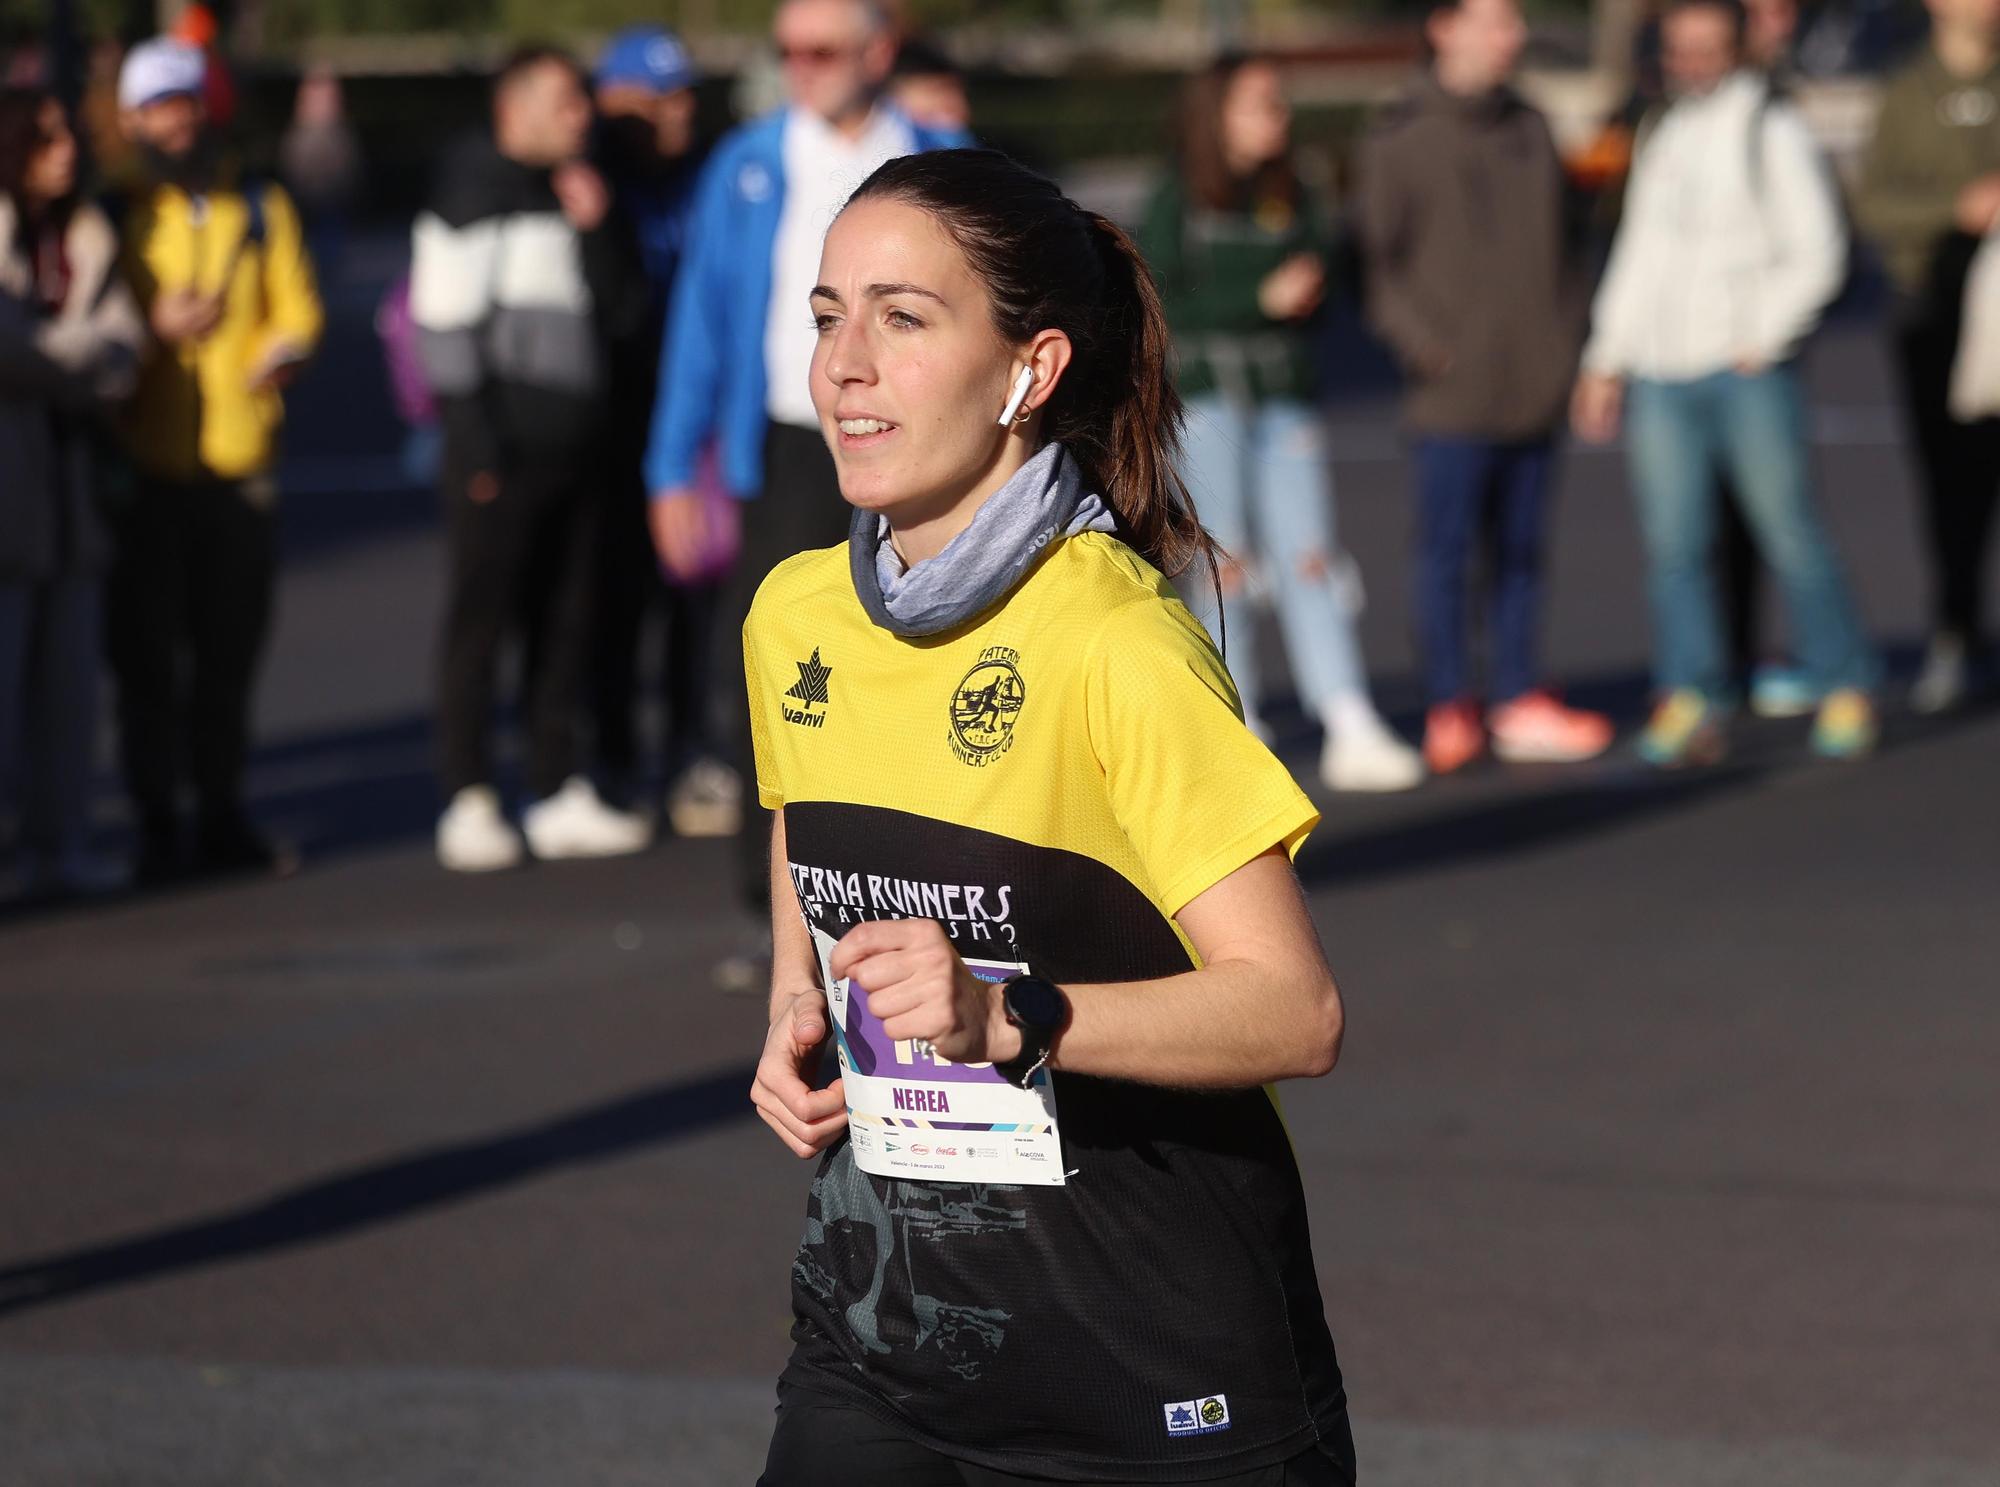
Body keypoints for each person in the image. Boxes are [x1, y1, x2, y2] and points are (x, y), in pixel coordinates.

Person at [746, 147, 1356, 1485]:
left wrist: (1008, 1014)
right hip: (882, 1346)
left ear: (1030, 370)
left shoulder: (1116, 643)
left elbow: (1295, 1010)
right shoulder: (795, 609)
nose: (845, 362)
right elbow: (808, 817)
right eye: (827, 313)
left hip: (1153, 1373)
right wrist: (795, 999)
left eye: (904, 318)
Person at [644, 0, 968, 920]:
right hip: (789, 446)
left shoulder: (947, 154)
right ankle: (775, 899)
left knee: (924, 659)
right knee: (782, 670)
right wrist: (671, 467)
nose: (801, 66)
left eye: (821, 48)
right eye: (787, 49)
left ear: (880, 50)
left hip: (924, 442)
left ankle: (929, 889)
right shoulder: (745, 162)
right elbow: (699, 326)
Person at [1573, 0, 1880, 764]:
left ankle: (1844, 680)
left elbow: (1821, 249)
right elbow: (1639, 255)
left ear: (1736, 51)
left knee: (1789, 530)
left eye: (1708, 48)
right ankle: (1691, 693)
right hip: (1662, 375)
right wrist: (1605, 359)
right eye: (1681, 49)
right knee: (1674, 546)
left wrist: (1762, 336)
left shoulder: (1770, 129)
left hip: (1746, 371)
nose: (1693, 62)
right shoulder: (1665, 131)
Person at [1141, 56, 1422, 791]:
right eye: (1260, 102)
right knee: (1222, 565)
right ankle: (1237, 720)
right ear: (1216, 114)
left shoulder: (1294, 191)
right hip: (1206, 399)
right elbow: (1157, 303)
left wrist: (1305, 293)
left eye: (1278, 102)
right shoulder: (1175, 196)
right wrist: (1258, 295)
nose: (1279, 115)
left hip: (1285, 396)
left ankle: (1348, 714)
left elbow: (1324, 284)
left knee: (1312, 557)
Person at [412, 46, 655, 872]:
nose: (581, 115)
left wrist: (594, 230)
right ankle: (468, 795)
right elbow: (443, 331)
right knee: (481, 623)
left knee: (566, 621)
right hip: (499, 455)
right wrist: (479, 449)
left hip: (576, 449)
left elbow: (621, 308)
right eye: (563, 101)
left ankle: (555, 786)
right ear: (512, 110)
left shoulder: (579, 191)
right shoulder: (468, 192)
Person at [1356, 0, 1614, 778]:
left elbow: (1569, 252)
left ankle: (1515, 693)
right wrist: (1428, 347)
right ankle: (1449, 702)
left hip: (1536, 379)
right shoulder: (1399, 137)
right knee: (1445, 551)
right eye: (1497, 21)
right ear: (1445, 28)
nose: (1515, 36)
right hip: (1451, 394)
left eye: (1515, 23)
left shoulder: (1531, 127)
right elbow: (1375, 266)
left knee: (1523, 550)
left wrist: (1572, 344)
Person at [108, 38, 322, 882]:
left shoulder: (258, 202)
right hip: (146, 461)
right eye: (158, 104)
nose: (175, 118)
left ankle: (220, 808)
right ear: (130, 118)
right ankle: (157, 820)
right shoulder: (116, 210)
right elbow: (96, 324)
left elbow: (297, 309)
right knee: (147, 656)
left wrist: (283, 350)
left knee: (229, 652)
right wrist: (154, 332)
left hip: (240, 458)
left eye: (185, 100)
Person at [588, 26, 738, 835]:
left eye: (683, 96)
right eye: (657, 100)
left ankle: (692, 752)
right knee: (614, 600)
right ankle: (612, 758)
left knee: (696, 598)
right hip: (612, 429)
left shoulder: (708, 177)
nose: (676, 113)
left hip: (692, 427)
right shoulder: (592, 181)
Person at [0, 87, 142, 897]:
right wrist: (76, 361)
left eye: (68, 136)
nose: (65, 151)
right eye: (44, 136)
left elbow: (126, 349)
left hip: (70, 490)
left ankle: (61, 843)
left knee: (69, 689)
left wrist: (51, 358)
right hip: (10, 493)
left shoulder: (85, 234)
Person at [1855, 0, 2000, 713]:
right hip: (1935, 309)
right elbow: (1875, 205)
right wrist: (1957, 205)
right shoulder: (1907, 91)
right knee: (1951, 482)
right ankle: (1955, 629)